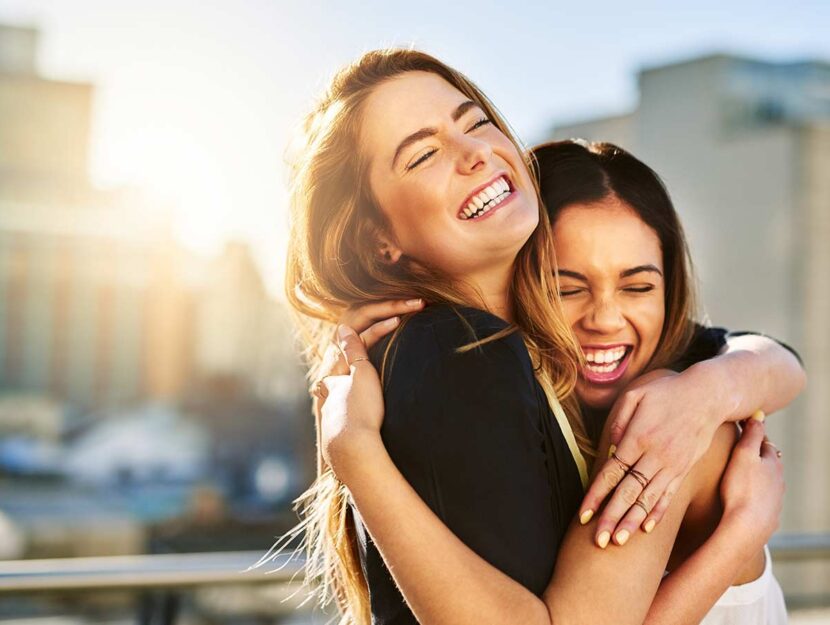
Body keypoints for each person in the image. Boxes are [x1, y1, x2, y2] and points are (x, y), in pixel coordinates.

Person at [273, 48, 803, 625]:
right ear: (377, 237)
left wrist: (713, 388)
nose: (475, 153)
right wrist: (740, 534)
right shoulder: (458, 348)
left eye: (476, 122)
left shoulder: (548, 345)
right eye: (424, 153)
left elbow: (778, 361)